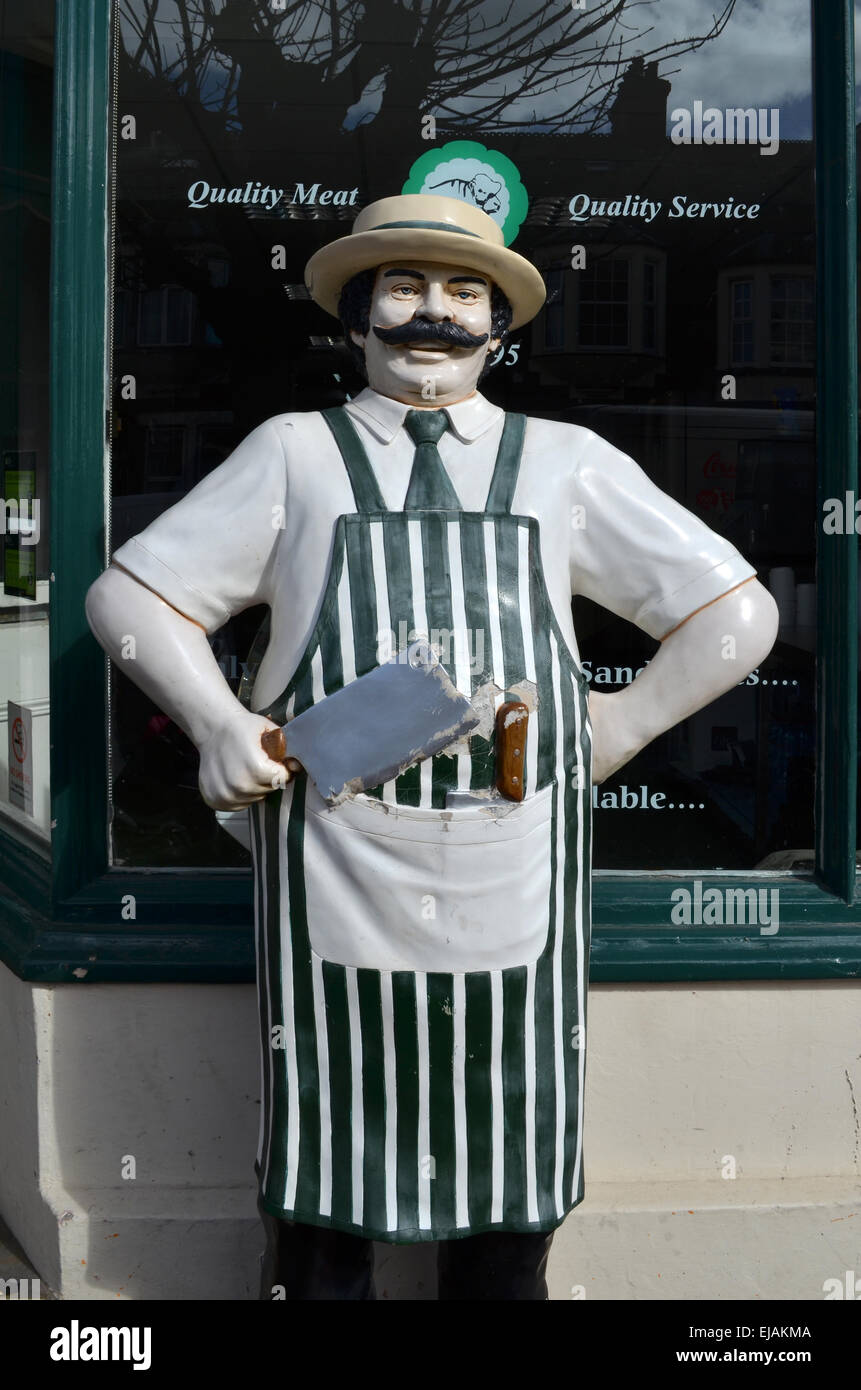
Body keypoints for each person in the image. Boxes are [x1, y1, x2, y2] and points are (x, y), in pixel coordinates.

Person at [86, 193, 778, 1300]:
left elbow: (737, 615)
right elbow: (130, 595)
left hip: (520, 858)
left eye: (465, 292)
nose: (434, 313)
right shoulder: (294, 455)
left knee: (510, 1135)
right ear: (356, 314)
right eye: (403, 287)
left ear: (502, 325)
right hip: (332, 859)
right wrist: (220, 721)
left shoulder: (566, 464)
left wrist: (617, 725)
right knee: (328, 1141)